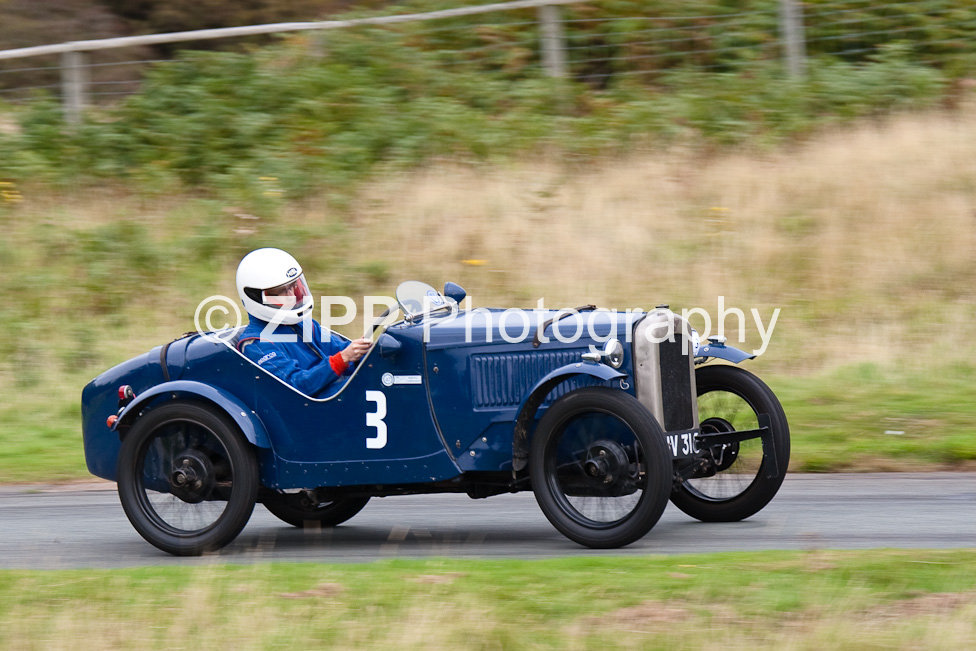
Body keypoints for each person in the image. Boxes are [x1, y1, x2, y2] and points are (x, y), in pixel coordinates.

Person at [235, 247, 371, 397]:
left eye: (294, 287)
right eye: (281, 291)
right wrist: (343, 358)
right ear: (255, 297)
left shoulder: (302, 325)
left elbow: (342, 349)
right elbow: (296, 386)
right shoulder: (257, 345)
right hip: (314, 408)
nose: (292, 296)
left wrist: (371, 354)